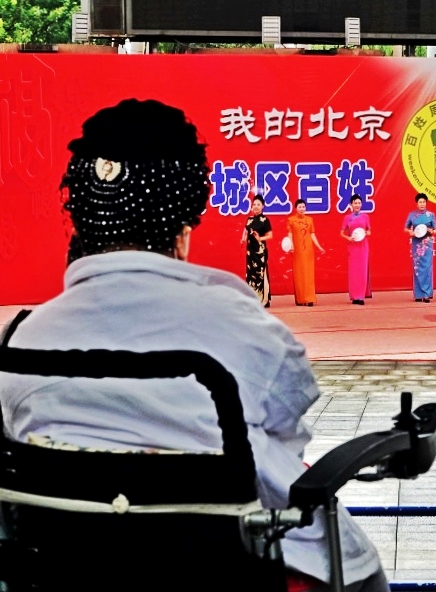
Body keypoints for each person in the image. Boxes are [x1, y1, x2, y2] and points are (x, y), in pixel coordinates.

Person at [0, 99, 390, 592]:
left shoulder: (19, 341)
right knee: (356, 568)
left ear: (78, 223)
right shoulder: (243, 328)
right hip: (223, 567)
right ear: (183, 231)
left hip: (66, 570)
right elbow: (289, 422)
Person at [286, 198, 325, 307]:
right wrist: (291, 245)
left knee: (309, 274)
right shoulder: (291, 220)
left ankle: (310, 298)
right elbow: (290, 234)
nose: (302, 209)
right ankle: (300, 299)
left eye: (303, 207)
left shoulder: (310, 220)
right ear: (296, 208)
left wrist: (319, 246)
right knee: (299, 274)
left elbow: (312, 234)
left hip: (308, 250)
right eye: (300, 207)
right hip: (296, 250)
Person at [404, 192, 436, 303]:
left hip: (427, 245)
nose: (422, 204)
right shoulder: (412, 215)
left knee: (427, 268)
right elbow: (406, 228)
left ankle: (427, 294)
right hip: (416, 244)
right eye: (420, 202)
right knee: (417, 268)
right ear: (417, 203)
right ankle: (418, 295)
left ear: (426, 203)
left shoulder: (431, 215)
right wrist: (410, 232)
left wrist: (431, 231)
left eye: (424, 202)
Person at [340, 194, 372, 306]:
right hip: (353, 247)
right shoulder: (347, 218)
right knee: (354, 272)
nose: (357, 205)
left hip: (363, 246)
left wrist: (366, 233)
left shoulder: (365, 217)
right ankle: (354, 296)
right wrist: (348, 238)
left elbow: (369, 231)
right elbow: (341, 233)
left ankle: (361, 296)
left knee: (362, 271)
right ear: (351, 204)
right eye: (355, 203)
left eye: (359, 203)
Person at [241, 195, 273, 308]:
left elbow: (270, 235)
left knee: (260, 273)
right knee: (251, 274)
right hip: (250, 251)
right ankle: (252, 299)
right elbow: (246, 231)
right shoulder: (249, 219)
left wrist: (260, 238)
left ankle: (264, 300)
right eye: (254, 204)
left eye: (258, 204)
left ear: (262, 206)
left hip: (260, 252)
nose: (256, 206)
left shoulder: (265, 220)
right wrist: (243, 239)